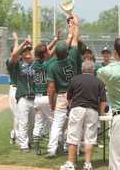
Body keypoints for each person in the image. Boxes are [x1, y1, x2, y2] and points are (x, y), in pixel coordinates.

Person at [60, 61, 106, 170]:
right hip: (93, 110)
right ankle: (88, 164)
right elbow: (103, 101)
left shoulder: (74, 79)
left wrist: (72, 107)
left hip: (77, 108)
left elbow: (69, 97)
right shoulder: (99, 81)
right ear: (93, 70)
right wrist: (101, 113)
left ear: (82, 69)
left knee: (73, 136)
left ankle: (70, 163)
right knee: (89, 138)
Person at [45, 15, 80, 158]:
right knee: (73, 123)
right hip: (75, 96)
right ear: (66, 51)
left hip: (61, 96)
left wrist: (51, 103)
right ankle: (70, 148)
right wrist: (74, 27)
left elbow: (51, 88)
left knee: (57, 124)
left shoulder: (52, 65)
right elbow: (75, 41)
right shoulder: (72, 58)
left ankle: (52, 150)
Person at [97, 38, 120, 170]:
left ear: (116, 53)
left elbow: (98, 74)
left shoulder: (109, 70)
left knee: (117, 160)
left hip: (119, 116)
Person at [9, 38, 35, 152]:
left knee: (32, 124)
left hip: (34, 98)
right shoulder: (17, 65)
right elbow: (14, 55)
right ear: (22, 53)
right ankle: (23, 145)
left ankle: (29, 142)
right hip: (23, 98)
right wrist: (22, 43)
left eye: (29, 50)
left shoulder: (36, 64)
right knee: (23, 123)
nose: (28, 52)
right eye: (26, 51)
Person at [6, 32, 19, 145]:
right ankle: (15, 136)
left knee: (22, 115)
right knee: (17, 115)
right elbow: (14, 55)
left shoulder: (21, 62)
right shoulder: (9, 62)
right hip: (14, 90)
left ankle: (15, 134)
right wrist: (16, 40)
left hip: (22, 91)